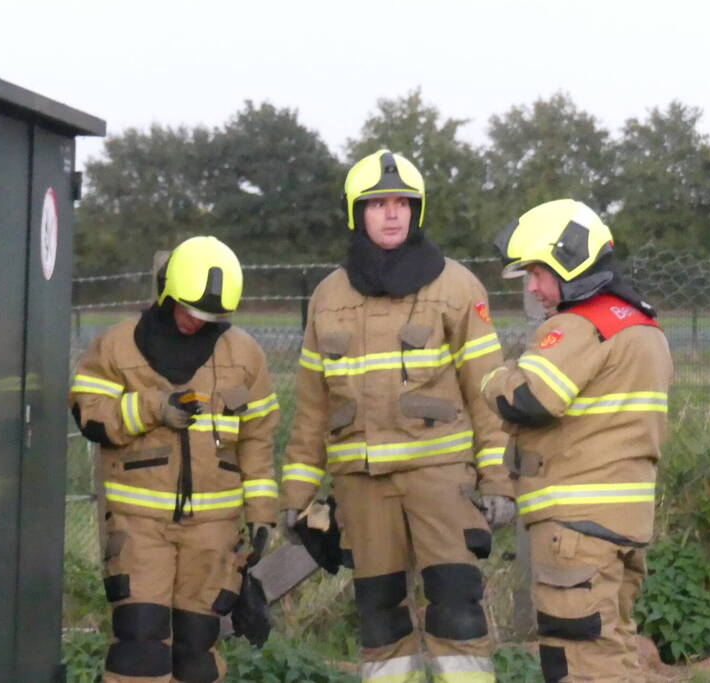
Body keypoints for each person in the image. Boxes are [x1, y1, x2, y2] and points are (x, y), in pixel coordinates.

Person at [281, 149, 513, 682]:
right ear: (356, 213)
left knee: (456, 608)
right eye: (378, 203)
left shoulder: (457, 287)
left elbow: (488, 392)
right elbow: (312, 409)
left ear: (417, 211)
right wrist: (296, 496)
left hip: (441, 479)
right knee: (379, 616)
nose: (392, 213)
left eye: (403, 203)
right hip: (362, 486)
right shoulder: (327, 297)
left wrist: (498, 479)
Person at [69, 236, 279, 683]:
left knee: (196, 647)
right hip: (138, 524)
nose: (195, 321)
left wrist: (262, 514)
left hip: (214, 529)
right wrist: (152, 408)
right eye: (189, 308)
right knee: (139, 643)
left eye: (209, 316)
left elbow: (258, 439)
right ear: (168, 292)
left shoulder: (245, 355)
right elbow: (90, 415)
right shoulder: (117, 347)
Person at [482, 199, 673, 682]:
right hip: (625, 522)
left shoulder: (580, 325)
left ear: (569, 260)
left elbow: (528, 398)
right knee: (613, 655)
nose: (533, 287)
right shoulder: (642, 324)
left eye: (538, 272)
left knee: (578, 663)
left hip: (576, 531)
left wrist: (492, 378)